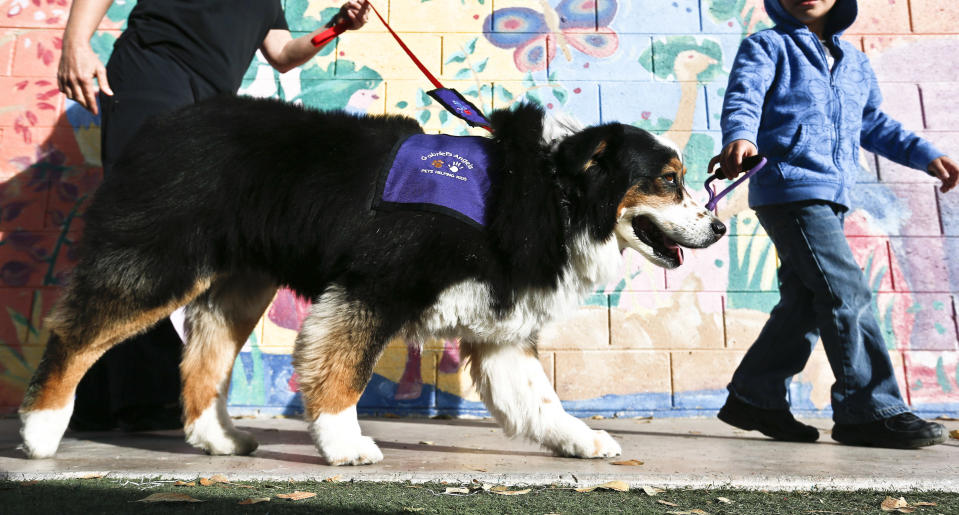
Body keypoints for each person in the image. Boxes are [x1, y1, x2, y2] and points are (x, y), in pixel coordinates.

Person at [57, 0, 370, 431]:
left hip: (209, 109)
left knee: (173, 242)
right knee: (144, 233)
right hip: (151, 75)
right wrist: (75, 43)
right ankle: (133, 394)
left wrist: (334, 28)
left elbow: (283, 55)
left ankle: (100, 401)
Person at [710, 0, 958, 448]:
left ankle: (755, 397)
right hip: (789, 188)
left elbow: (872, 123)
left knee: (805, 300)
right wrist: (740, 136)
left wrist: (925, 155)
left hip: (833, 195)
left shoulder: (854, 61)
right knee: (846, 290)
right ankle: (867, 410)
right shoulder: (768, 46)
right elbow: (744, 96)